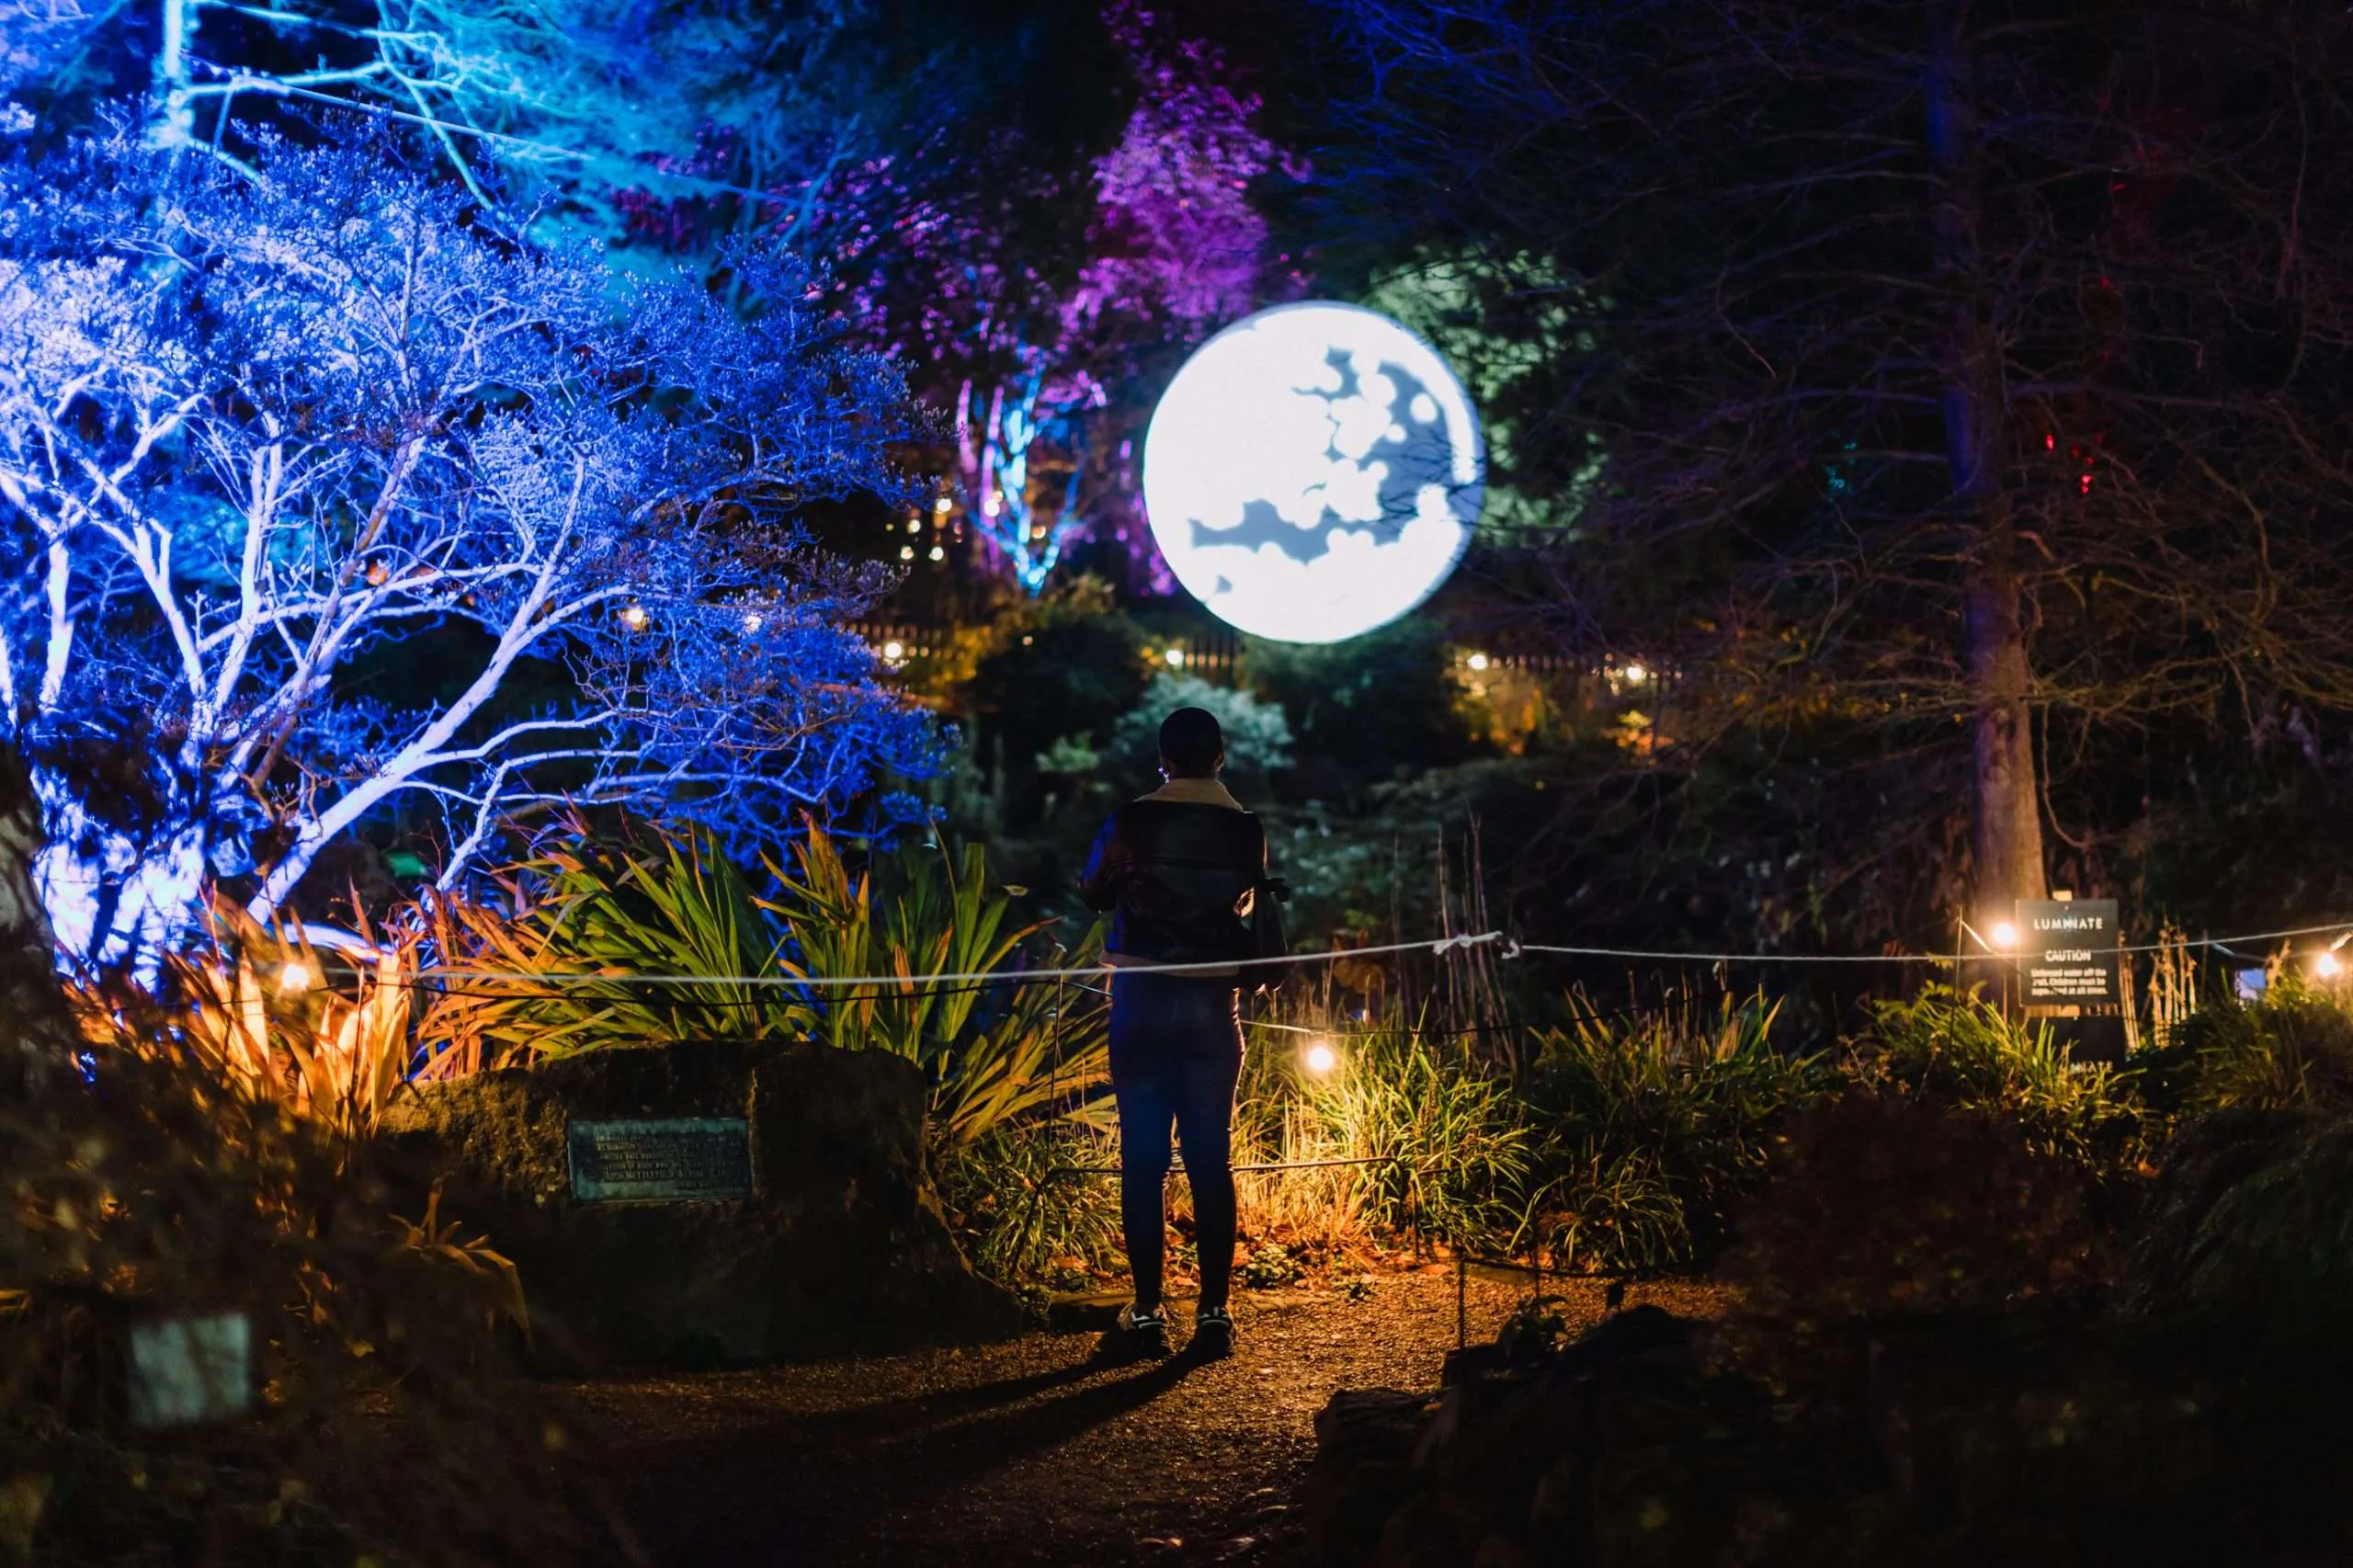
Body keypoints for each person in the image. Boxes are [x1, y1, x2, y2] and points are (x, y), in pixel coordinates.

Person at [1078, 706, 1273, 1360]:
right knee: (1210, 1160)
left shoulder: (1130, 821)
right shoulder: (1246, 829)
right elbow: (1246, 904)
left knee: (1144, 1160)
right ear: (1220, 757)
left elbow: (1093, 893)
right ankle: (1214, 1313)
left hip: (1142, 1000)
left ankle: (1146, 1312)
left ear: (1162, 760)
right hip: (1213, 1006)